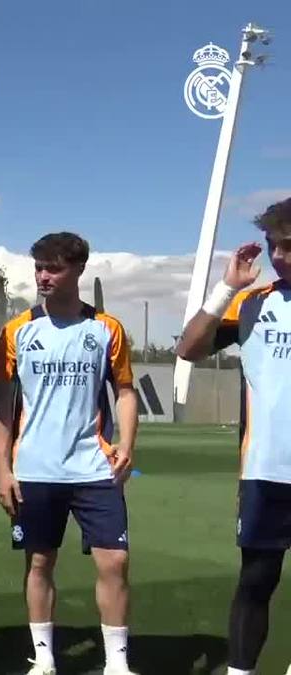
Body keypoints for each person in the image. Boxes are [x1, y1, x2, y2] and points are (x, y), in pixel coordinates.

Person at [0, 232, 138, 675]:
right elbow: (2, 406)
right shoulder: (18, 330)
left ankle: (116, 663)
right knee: (39, 561)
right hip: (35, 468)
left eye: (52, 267)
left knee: (115, 561)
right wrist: (2, 468)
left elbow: (125, 391)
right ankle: (45, 658)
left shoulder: (106, 329)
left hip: (94, 465)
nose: (43, 276)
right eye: (39, 267)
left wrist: (127, 444)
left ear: (78, 270)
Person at [175, 197, 291, 675]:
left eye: (287, 246)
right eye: (272, 246)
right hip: (265, 469)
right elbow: (188, 347)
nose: (278, 256)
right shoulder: (252, 302)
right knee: (256, 581)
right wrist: (225, 287)